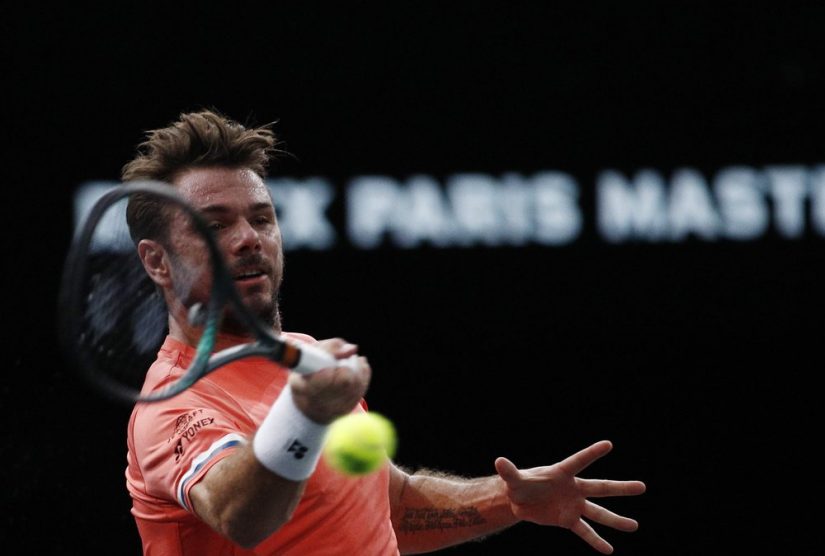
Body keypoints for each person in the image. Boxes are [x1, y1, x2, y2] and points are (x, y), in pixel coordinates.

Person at [122, 108, 647, 555]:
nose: (247, 240)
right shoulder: (170, 406)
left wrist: (506, 500)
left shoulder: (303, 358)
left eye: (261, 219)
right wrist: (304, 414)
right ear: (157, 262)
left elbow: (390, 503)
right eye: (215, 226)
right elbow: (242, 516)